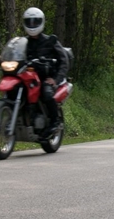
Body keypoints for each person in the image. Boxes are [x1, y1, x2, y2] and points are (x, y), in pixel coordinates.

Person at [22, 7, 70, 135]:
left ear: (41, 22)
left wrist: (56, 79)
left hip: (46, 77)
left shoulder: (50, 41)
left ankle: (55, 121)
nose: (32, 25)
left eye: (35, 22)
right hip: (29, 77)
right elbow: (15, 55)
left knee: (47, 93)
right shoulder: (23, 42)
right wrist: (3, 57)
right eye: (29, 22)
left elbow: (64, 60)